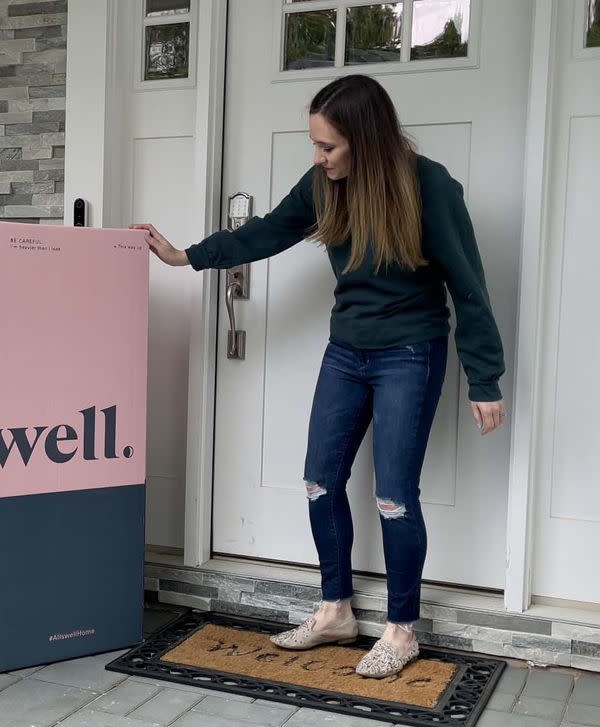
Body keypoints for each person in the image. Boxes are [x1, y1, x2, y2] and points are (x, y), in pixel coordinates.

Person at [131, 74, 506, 679]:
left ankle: (401, 628)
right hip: (345, 353)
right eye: (316, 145)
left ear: (366, 139)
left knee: (393, 495)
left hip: (410, 353)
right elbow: (267, 231)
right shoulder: (323, 185)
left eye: (328, 147)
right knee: (320, 482)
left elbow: (469, 285)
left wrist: (485, 379)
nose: (318, 157)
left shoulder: (429, 185)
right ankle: (335, 611)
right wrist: (185, 256)